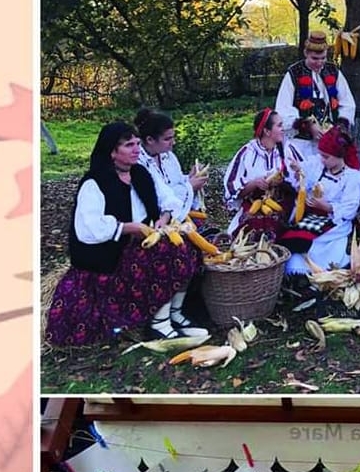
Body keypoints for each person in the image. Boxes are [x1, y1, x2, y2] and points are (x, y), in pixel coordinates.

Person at [45, 121, 206, 345]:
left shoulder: (140, 173)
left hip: (143, 239)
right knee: (169, 253)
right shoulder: (94, 183)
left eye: (138, 144)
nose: (136, 149)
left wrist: (164, 218)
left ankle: (175, 312)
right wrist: (129, 227)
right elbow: (89, 228)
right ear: (112, 151)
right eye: (129, 145)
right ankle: (159, 323)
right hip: (110, 250)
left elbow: (168, 198)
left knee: (189, 247)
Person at [277, 126, 360, 288]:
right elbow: (306, 173)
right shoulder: (320, 166)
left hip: (335, 220)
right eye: (321, 155)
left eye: (326, 157)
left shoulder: (351, 177)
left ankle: (316, 271)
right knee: (293, 238)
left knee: (315, 242)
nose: (322, 159)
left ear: (339, 156)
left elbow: (350, 208)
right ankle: (296, 271)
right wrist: (298, 171)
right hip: (313, 217)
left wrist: (327, 207)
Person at [275, 30, 355, 185]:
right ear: (305, 53)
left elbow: (347, 103)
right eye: (314, 58)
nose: (319, 63)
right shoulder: (294, 73)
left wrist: (338, 128)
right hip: (301, 144)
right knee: (300, 182)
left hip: (330, 146)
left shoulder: (333, 71)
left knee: (327, 185)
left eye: (323, 58)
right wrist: (306, 124)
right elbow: (282, 110)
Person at [223, 108, 304, 238]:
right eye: (279, 125)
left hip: (283, 203)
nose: (283, 129)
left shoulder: (288, 149)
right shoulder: (247, 153)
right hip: (255, 203)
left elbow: (303, 181)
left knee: (278, 225)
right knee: (252, 228)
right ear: (267, 131)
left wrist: (297, 172)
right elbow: (232, 189)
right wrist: (254, 183)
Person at [135, 109, 207, 226]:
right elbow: (159, 194)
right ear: (150, 140)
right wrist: (190, 186)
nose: (173, 143)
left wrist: (191, 176)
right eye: (167, 139)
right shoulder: (138, 163)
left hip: (176, 218)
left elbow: (174, 183)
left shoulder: (168, 156)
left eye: (173, 137)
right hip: (154, 222)